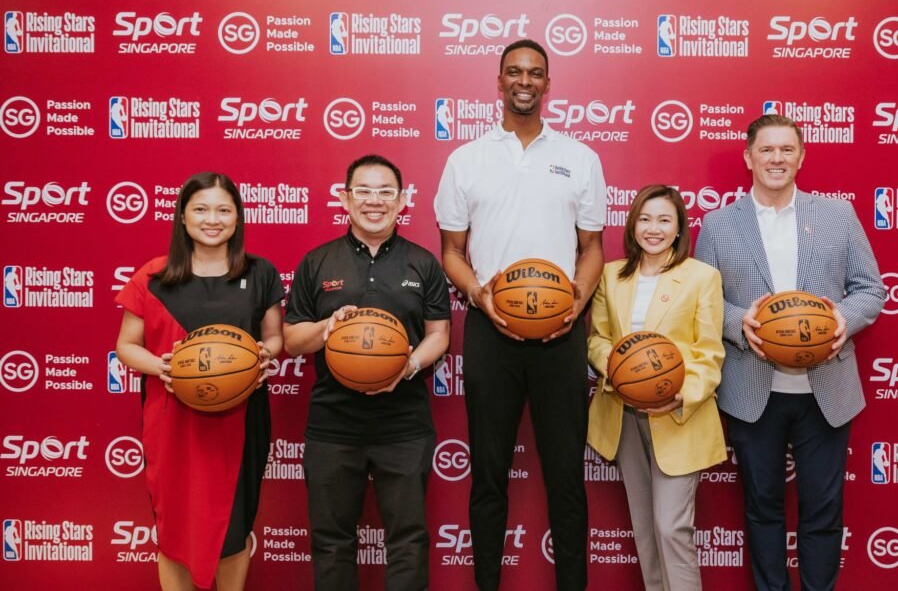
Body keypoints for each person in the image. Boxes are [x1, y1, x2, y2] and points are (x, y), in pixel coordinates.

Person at [434, 39, 606, 590]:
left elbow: (593, 248)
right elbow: (452, 253)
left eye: (535, 73)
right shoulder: (465, 158)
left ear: (548, 84)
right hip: (491, 331)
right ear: (499, 81)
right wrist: (480, 296)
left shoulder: (581, 158)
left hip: (561, 335)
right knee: (488, 475)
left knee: (566, 479)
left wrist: (577, 301)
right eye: (514, 72)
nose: (524, 81)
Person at [694, 114, 885, 591]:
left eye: (786, 150)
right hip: (752, 391)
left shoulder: (838, 215)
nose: (776, 158)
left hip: (827, 388)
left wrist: (840, 320)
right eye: (766, 150)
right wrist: (742, 324)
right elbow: (699, 304)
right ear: (748, 158)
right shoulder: (718, 225)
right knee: (762, 508)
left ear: (802, 157)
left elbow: (871, 290)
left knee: (823, 509)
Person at [283, 154, 451, 590]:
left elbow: (440, 335)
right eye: (363, 191)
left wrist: (409, 365)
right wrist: (327, 327)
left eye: (385, 192)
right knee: (332, 542)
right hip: (333, 424)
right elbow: (292, 340)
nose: (374, 201)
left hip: (404, 422)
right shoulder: (317, 262)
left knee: (408, 542)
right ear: (344, 198)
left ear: (402, 201)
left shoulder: (423, 263)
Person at [115, 172, 284, 591]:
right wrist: (163, 367)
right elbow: (126, 346)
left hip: (241, 420)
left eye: (224, 210)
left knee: (234, 528)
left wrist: (267, 354)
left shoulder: (260, 273)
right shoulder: (153, 277)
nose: (213, 219)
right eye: (202, 209)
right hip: (173, 421)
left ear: (238, 217)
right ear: (183, 217)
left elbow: (275, 336)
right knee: (173, 533)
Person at [587, 184, 726, 591]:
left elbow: (710, 353)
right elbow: (597, 339)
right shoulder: (611, 275)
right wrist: (618, 372)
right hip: (624, 416)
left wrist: (682, 393)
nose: (654, 228)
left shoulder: (702, 278)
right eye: (645, 219)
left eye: (664, 219)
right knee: (646, 532)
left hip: (680, 418)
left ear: (680, 227)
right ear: (632, 225)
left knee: (671, 528)